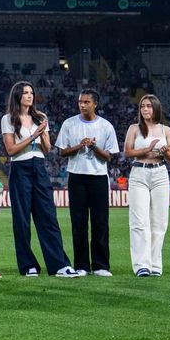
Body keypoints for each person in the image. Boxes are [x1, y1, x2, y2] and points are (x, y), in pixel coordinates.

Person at [1, 81, 78, 277]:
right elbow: (11, 150)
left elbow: (47, 148)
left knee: (48, 217)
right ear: (17, 96)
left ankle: (59, 265)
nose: (29, 96)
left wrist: (43, 134)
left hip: (39, 166)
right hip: (20, 167)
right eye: (25, 93)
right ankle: (28, 266)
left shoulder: (41, 117)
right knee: (22, 219)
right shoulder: (8, 119)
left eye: (31, 92)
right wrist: (34, 135)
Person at [55, 89, 119, 276]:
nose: (82, 105)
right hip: (76, 177)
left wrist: (93, 146)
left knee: (100, 223)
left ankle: (101, 265)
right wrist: (80, 146)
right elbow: (62, 152)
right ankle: (81, 265)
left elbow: (108, 156)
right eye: (80, 102)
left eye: (86, 102)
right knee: (79, 223)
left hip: (99, 177)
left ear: (95, 104)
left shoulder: (106, 126)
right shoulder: (69, 124)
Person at [123, 94, 170, 277]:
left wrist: (165, 152)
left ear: (156, 108)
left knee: (160, 222)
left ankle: (155, 265)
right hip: (139, 173)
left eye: (149, 106)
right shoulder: (134, 128)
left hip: (160, 173)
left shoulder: (166, 130)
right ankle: (141, 265)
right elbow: (127, 152)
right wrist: (146, 149)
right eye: (143, 106)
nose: (145, 109)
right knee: (139, 221)